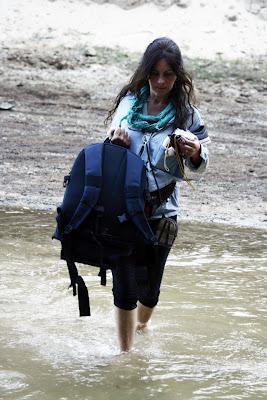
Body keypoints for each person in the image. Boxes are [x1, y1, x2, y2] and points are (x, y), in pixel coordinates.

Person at [105, 37, 209, 352]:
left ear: (177, 76)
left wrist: (195, 151)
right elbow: (105, 155)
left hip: (163, 213)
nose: (160, 82)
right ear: (145, 73)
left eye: (168, 74)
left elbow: (199, 167)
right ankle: (125, 355)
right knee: (124, 287)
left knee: (149, 291)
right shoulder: (127, 105)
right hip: (123, 208)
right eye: (154, 74)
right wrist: (116, 144)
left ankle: (143, 324)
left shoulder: (187, 115)